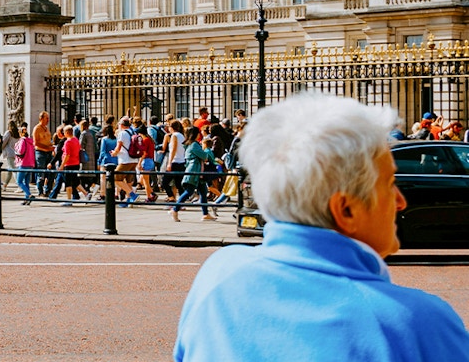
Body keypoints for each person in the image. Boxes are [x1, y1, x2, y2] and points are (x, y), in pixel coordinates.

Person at [174, 94, 469, 361]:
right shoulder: (417, 322)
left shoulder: (218, 273)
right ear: (346, 210)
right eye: (390, 184)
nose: (401, 201)